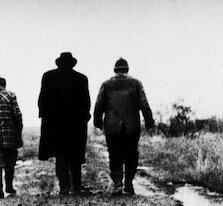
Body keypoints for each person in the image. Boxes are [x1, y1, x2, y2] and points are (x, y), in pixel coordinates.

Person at [93, 57, 154, 195]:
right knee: (131, 155)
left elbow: (99, 105)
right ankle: (129, 184)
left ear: (115, 70)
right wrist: (149, 122)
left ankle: (117, 184)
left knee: (114, 155)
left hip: (112, 127)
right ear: (127, 69)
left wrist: (98, 122)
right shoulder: (136, 83)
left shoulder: (106, 84)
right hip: (132, 127)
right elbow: (144, 104)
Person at [38, 52, 91, 195]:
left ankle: (65, 186)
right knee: (75, 155)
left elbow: (42, 99)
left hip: (55, 124)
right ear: (72, 63)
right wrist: (85, 117)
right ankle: (76, 186)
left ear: (59, 63)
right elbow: (86, 102)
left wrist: (44, 116)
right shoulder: (81, 78)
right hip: (75, 124)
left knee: (60, 155)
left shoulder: (48, 76)